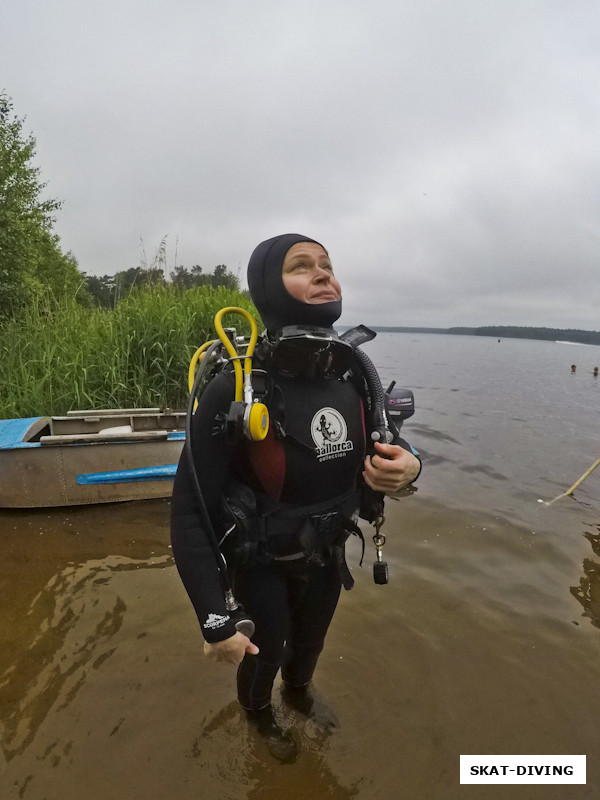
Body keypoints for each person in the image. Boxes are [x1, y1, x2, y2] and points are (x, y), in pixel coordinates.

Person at [170, 234, 421, 760]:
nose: (323, 274)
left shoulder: (353, 374)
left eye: (327, 265)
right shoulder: (235, 388)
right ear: (267, 287)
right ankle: (259, 717)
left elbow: (392, 446)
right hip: (261, 559)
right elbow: (190, 511)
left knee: (310, 645)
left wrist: (411, 466)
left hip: (327, 550)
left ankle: (300, 693)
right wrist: (213, 619)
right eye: (302, 266)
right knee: (267, 650)